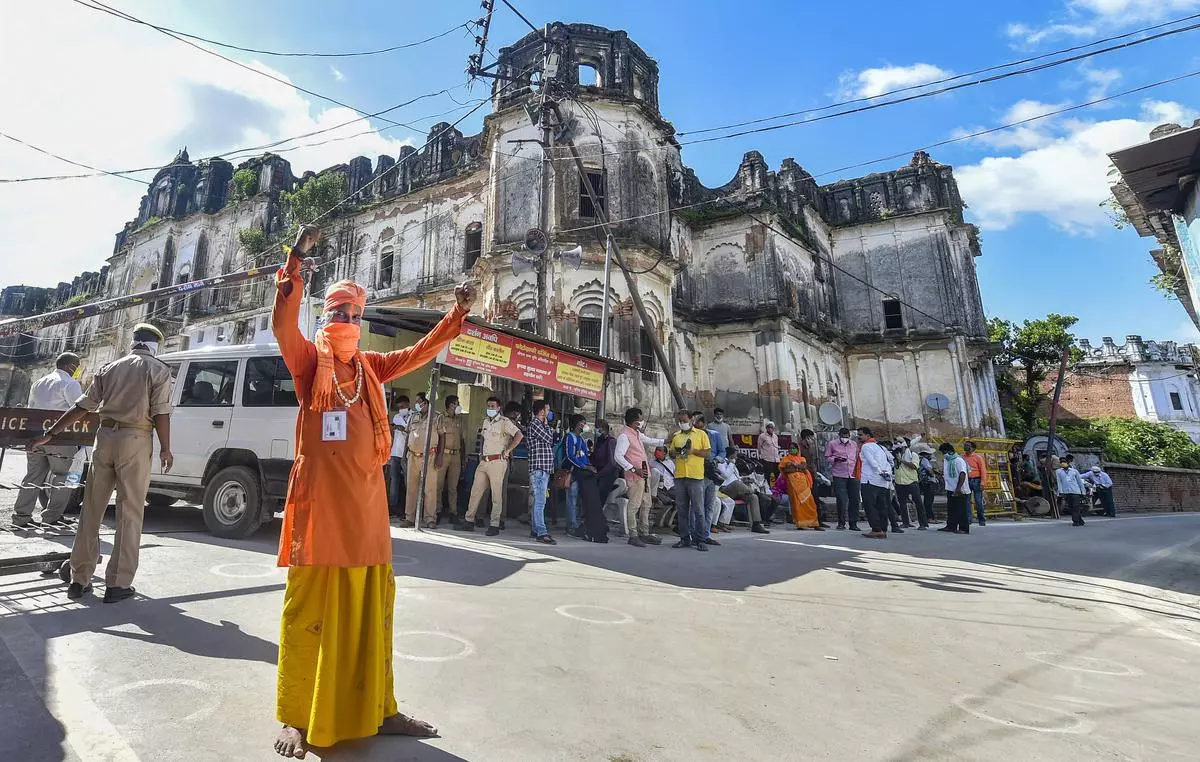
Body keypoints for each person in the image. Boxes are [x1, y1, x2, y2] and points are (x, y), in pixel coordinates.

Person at [260, 226, 473, 756]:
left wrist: (456, 315)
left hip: (368, 508)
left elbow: (423, 352)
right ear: (326, 319)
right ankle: (295, 717)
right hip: (320, 509)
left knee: (372, 611)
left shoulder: (375, 369)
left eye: (356, 316)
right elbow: (284, 324)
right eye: (338, 315)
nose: (348, 323)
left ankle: (382, 708)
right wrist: (296, 262)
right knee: (307, 612)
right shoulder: (309, 363)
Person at [31, 328, 172, 602]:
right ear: (155, 346)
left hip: (104, 438)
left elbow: (82, 407)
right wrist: (166, 448)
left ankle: (79, 579)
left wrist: (53, 433)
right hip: (136, 436)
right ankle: (118, 584)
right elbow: (161, 412)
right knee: (129, 512)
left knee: (92, 509)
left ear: (133, 343)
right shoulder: (158, 369)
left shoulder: (110, 368)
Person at [14, 352, 83, 527]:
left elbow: (31, 408)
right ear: (70, 366)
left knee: (33, 476)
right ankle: (52, 516)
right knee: (64, 476)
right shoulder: (70, 383)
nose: (77, 371)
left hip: (36, 437)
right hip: (61, 439)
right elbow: (80, 410)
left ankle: (21, 517)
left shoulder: (39, 383)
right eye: (77, 367)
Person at [458, 397, 524, 536]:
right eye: (489, 405)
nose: (490, 408)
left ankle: (495, 524)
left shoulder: (504, 422)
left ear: (499, 408)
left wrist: (508, 451)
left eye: (493, 406)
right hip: (484, 461)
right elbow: (483, 438)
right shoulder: (486, 421)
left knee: (496, 495)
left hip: (497, 461)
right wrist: (480, 453)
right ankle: (469, 520)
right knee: (475, 492)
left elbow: (519, 435)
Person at [613, 407, 665, 547]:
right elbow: (618, 456)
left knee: (646, 503)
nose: (642, 422)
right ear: (635, 421)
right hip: (634, 475)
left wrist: (665, 441)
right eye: (641, 419)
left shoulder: (636, 433)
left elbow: (650, 440)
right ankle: (633, 534)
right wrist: (633, 469)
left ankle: (644, 532)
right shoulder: (624, 436)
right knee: (634, 504)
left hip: (644, 472)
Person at [668, 409, 711, 551]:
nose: (682, 423)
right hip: (680, 476)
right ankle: (684, 538)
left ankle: (701, 539)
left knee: (698, 510)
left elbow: (707, 453)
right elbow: (671, 452)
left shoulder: (701, 434)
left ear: (691, 420)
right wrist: (678, 451)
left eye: (684, 421)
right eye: (680, 421)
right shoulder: (676, 436)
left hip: (696, 476)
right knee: (682, 510)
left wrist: (693, 451)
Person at [404, 393, 444, 529]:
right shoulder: (413, 416)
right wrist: (404, 455)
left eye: (419, 402)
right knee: (411, 488)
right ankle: (409, 518)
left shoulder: (437, 417)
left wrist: (440, 456)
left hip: (430, 456)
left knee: (430, 489)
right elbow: (407, 435)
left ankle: (430, 518)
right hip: (412, 455)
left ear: (426, 403)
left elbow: (442, 436)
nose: (417, 405)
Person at [716, 446, 770, 534]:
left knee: (753, 497)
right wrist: (731, 464)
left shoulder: (733, 465)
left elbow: (737, 477)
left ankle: (756, 524)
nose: (736, 457)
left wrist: (744, 478)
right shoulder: (721, 463)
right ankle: (753, 490)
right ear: (730, 455)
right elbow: (725, 475)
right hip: (725, 489)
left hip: (738, 489)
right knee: (737, 483)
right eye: (735, 455)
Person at [524, 400, 556, 544]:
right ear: (542, 411)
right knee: (540, 501)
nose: (549, 413)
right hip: (538, 468)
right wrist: (547, 426)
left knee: (539, 500)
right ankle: (541, 532)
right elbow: (550, 438)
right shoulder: (534, 425)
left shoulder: (542, 425)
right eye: (547, 410)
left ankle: (535, 528)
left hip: (544, 468)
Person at [857, 427, 894, 539]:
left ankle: (876, 529)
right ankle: (882, 529)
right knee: (881, 505)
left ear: (868, 435)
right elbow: (890, 461)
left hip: (870, 480)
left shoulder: (866, 446)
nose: (859, 437)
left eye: (861, 435)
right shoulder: (881, 447)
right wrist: (886, 474)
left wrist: (879, 472)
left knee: (870, 505)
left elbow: (872, 462)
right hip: (882, 481)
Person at [779, 443, 822, 530]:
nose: (792, 450)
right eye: (790, 448)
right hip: (793, 484)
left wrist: (794, 466)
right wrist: (798, 468)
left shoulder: (802, 458)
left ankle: (814, 523)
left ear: (797, 449)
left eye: (794, 448)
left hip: (804, 483)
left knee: (810, 503)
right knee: (797, 503)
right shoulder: (785, 459)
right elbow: (786, 470)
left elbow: (804, 466)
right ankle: (801, 524)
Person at [437, 395, 466, 523]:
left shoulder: (460, 420)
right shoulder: (441, 418)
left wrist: (463, 458)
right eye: (456, 403)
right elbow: (438, 438)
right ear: (450, 405)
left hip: (456, 456)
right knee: (438, 485)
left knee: (453, 487)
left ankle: (453, 512)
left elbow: (462, 440)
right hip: (443, 454)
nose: (458, 406)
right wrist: (438, 456)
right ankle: (437, 511)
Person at [825, 427, 860, 531]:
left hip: (853, 474)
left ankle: (853, 523)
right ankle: (841, 523)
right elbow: (827, 457)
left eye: (847, 437)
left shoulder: (854, 444)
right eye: (843, 437)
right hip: (839, 474)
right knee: (841, 499)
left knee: (855, 499)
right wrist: (835, 459)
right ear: (839, 436)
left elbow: (858, 457)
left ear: (849, 436)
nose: (845, 438)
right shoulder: (832, 444)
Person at [796, 429, 830, 528]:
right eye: (811, 437)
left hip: (812, 475)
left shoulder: (811, 447)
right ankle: (806, 520)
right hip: (803, 476)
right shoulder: (798, 448)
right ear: (806, 438)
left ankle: (817, 520)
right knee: (805, 499)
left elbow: (813, 462)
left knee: (815, 498)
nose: (812, 439)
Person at [938, 442, 972, 534]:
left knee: (961, 509)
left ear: (949, 451)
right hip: (950, 488)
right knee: (951, 509)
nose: (943, 455)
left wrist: (958, 488)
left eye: (944, 452)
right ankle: (951, 526)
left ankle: (964, 528)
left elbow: (962, 474)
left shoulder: (959, 460)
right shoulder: (947, 460)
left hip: (960, 489)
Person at [387, 396, 410, 516]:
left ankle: (407, 509)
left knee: (408, 482)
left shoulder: (413, 416)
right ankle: (393, 506)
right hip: (395, 453)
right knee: (394, 481)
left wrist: (403, 429)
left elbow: (411, 432)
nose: (401, 409)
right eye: (399, 407)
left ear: (407, 404)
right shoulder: (396, 417)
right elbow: (392, 432)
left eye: (402, 407)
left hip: (406, 454)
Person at [591, 418, 620, 506]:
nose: (596, 430)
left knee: (600, 491)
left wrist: (599, 475)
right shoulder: (599, 440)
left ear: (602, 429)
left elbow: (612, 463)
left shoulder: (611, 441)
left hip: (609, 473)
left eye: (597, 428)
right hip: (599, 470)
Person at [893, 439, 920, 529]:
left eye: (899, 442)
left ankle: (923, 523)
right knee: (902, 504)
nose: (897, 445)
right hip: (899, 482)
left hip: (911, 481)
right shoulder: (896, 454)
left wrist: (902, 460)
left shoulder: (913, 454)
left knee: (918, 502)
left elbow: (914, 466)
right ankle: (905, 522)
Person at [1056, 455, 1086, 527]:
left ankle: (1075, 521)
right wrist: (1060, 492)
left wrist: (1083, 491)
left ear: (1067, 463)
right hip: (1066, 492)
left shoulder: (1074, 471)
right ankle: (1080, 520)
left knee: (1076, 506)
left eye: (1064, 462)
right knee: (1071, 507)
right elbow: (1059, 482)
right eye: (1061, 462)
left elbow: (1079, 482)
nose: (1063, 463)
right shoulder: (1058, 472)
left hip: (1076, 491)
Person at [963, 441, 988, 526]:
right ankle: (968, 519)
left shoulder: (978, 457)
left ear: (973, 448)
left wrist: (983, 482)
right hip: (967, 480)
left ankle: (981, 519)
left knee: (978, 501)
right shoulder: (962, 457)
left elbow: (983, 470)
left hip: (977, 480)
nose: (966, 447)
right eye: (965, 445)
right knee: (966, 501)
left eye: (968, 446)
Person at [917, 447, 939, 529]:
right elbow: (930, 471)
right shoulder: (925, 461)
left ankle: (929, 517)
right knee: (928, 501)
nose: (931, 455)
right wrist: (933, 473)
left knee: (928, 500)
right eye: (929, 454)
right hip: (928, 483)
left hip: (926, 483)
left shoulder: (923, 461)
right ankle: (930, 517)